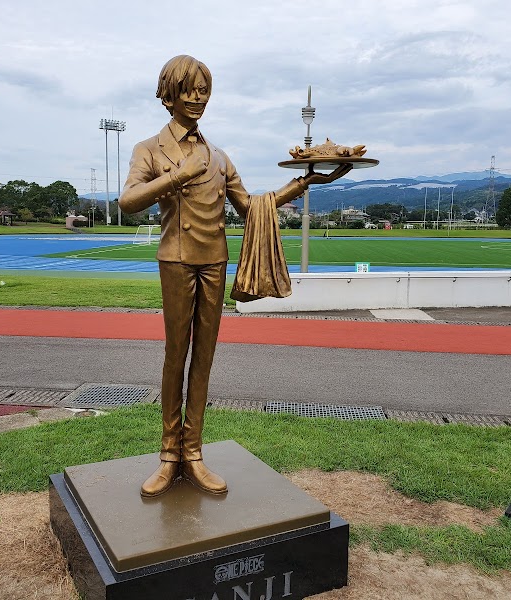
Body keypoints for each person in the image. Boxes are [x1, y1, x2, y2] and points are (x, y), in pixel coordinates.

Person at [119, 55, 348, 497]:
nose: (198, 98)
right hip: (176, 260)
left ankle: (194, 450)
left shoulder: (219, 157)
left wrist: (307, 183)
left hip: (215, 261)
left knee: (204, 357)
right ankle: (169, 453)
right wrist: (176, 177)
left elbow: (253, 206)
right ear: (168, 94)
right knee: (175, 354)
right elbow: (128, 201)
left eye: (204, 90)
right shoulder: (148, 149)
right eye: (189, 90)